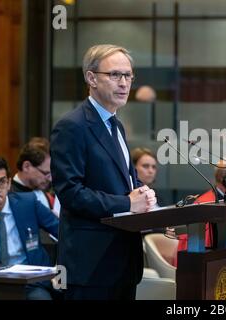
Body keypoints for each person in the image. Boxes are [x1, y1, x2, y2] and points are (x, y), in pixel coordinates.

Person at [50, 44, 157, 300]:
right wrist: (127, 202)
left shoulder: (116, 125)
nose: (124, 83)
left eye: (128, 75)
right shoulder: (72, 127)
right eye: (115, 75)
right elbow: (70, 193)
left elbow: (123, 182)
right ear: (91, 78)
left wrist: (143, 195)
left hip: (123, 263)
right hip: (90, 267)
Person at [0, 154, 59, 299]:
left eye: (1, 182)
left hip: (29, 283)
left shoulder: (28, 203)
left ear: (8, 183)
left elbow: (61, 231)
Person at [11, 141, 55, 213]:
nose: (50, 179)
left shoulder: (44, 191)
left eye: (51, 174)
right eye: (46, 173)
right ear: (27, 166)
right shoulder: (7, 196)